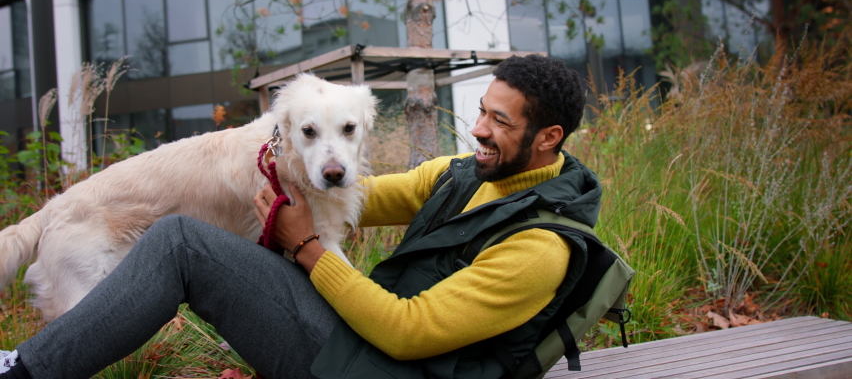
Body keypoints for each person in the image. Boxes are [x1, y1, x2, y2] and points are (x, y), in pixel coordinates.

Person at [0, 54, 601, 379]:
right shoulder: (466, 173)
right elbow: (362, 193)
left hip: (377, 368)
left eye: (500, 122)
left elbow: (407, 330)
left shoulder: (542, 247)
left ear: (548, 138)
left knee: (181, 242)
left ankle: (24, 374)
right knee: (182, 233)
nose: (478, 129)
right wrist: (279, 161)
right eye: (481, 112)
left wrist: (308, 246)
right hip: (357, 348)